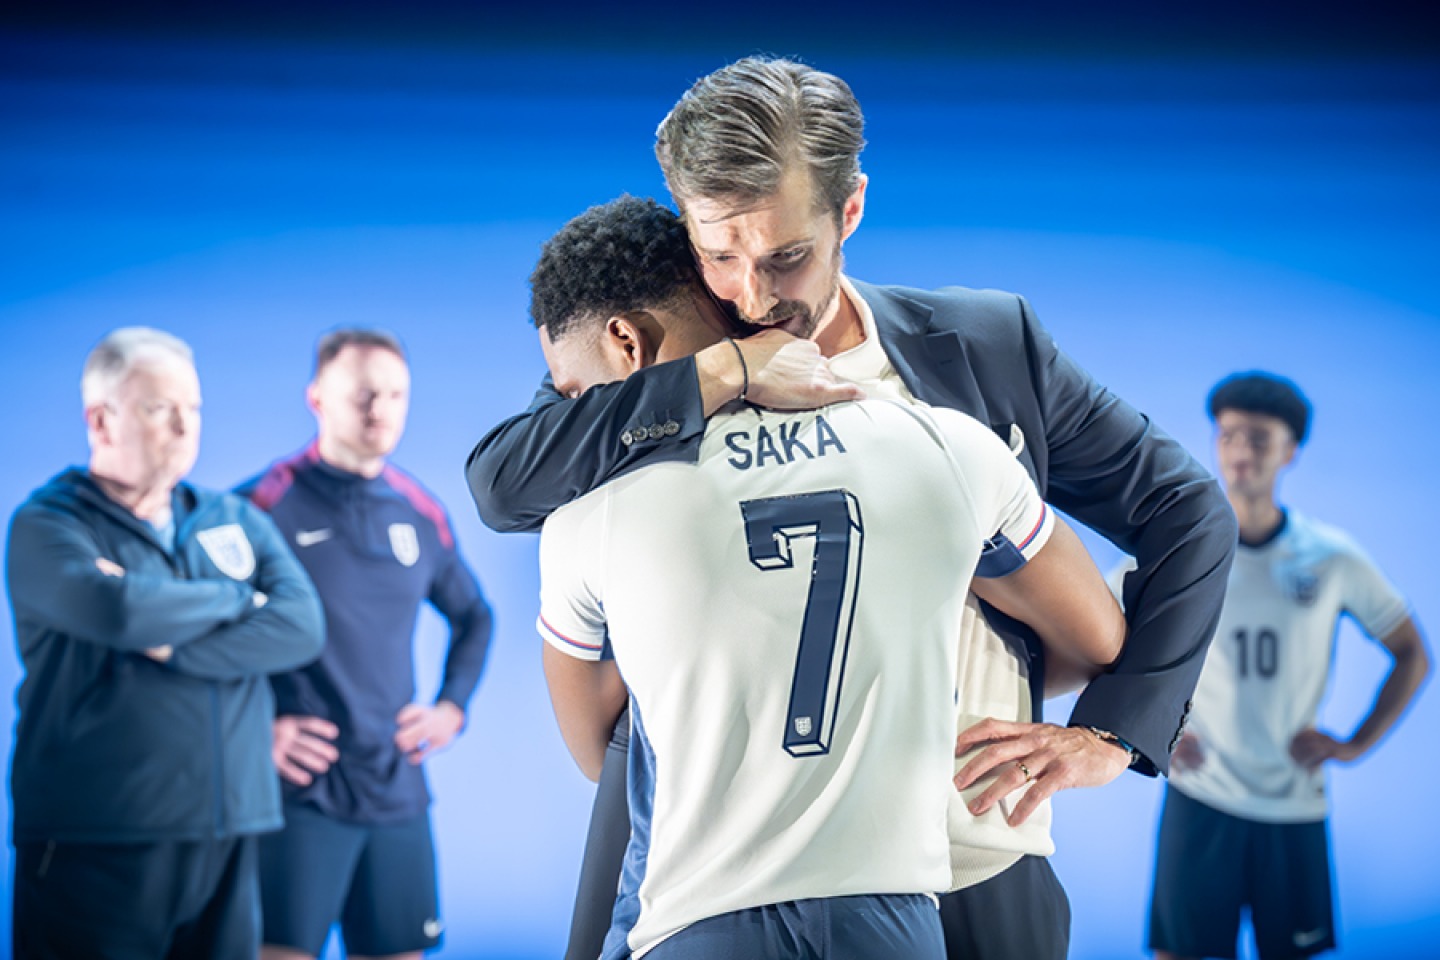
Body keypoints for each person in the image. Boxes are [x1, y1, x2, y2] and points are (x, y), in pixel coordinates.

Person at [465, 56, 1237, 960]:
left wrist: (1116, 729)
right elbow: (502, 484)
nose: (750, 292)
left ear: (850, 211)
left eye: (786, 257)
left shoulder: (985, 349)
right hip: (712, 875)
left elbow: (1185, 508)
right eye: (719, 255)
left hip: (975, 849)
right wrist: (729, 369)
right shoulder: (660, 371)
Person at [533, 195, 1127, 959]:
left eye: (573, 392)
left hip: (699, 920)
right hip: (894, 918)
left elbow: (598, 748)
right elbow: (1096, 638)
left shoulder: (593, 509)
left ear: (625, 342)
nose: (577, 419)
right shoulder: (941, 446)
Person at [5, 327, 325, 960]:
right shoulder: (48, 524)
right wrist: (238, 599)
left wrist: (172, 641)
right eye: (159, 408)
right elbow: (116, 610)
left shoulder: (233, 518)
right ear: (100, 420)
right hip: (98, 837)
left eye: (193, 408)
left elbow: (301, 625)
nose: (184, 426)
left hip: (230, 829)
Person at [1139, 372, 1430, 960]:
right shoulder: (1179, 550)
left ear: (1290, 450)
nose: (1241, 450)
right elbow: (1095, 637)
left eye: (1258, 437)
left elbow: (1412, 654)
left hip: (1292, 803)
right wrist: (1148, 733)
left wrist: (1355, 743)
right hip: (1202, 796)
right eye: (1228, 436)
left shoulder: (1332, 558)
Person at [238, 329, 495, 960]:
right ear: (318, 398)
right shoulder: (258, 508)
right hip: (299, 793)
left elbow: (474, 616)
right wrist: (254, 730)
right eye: (361, 394)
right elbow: (203, 634)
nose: (378, 409)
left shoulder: (418, 511)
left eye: (394, 394)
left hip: (393, 786)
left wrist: (451, 707)